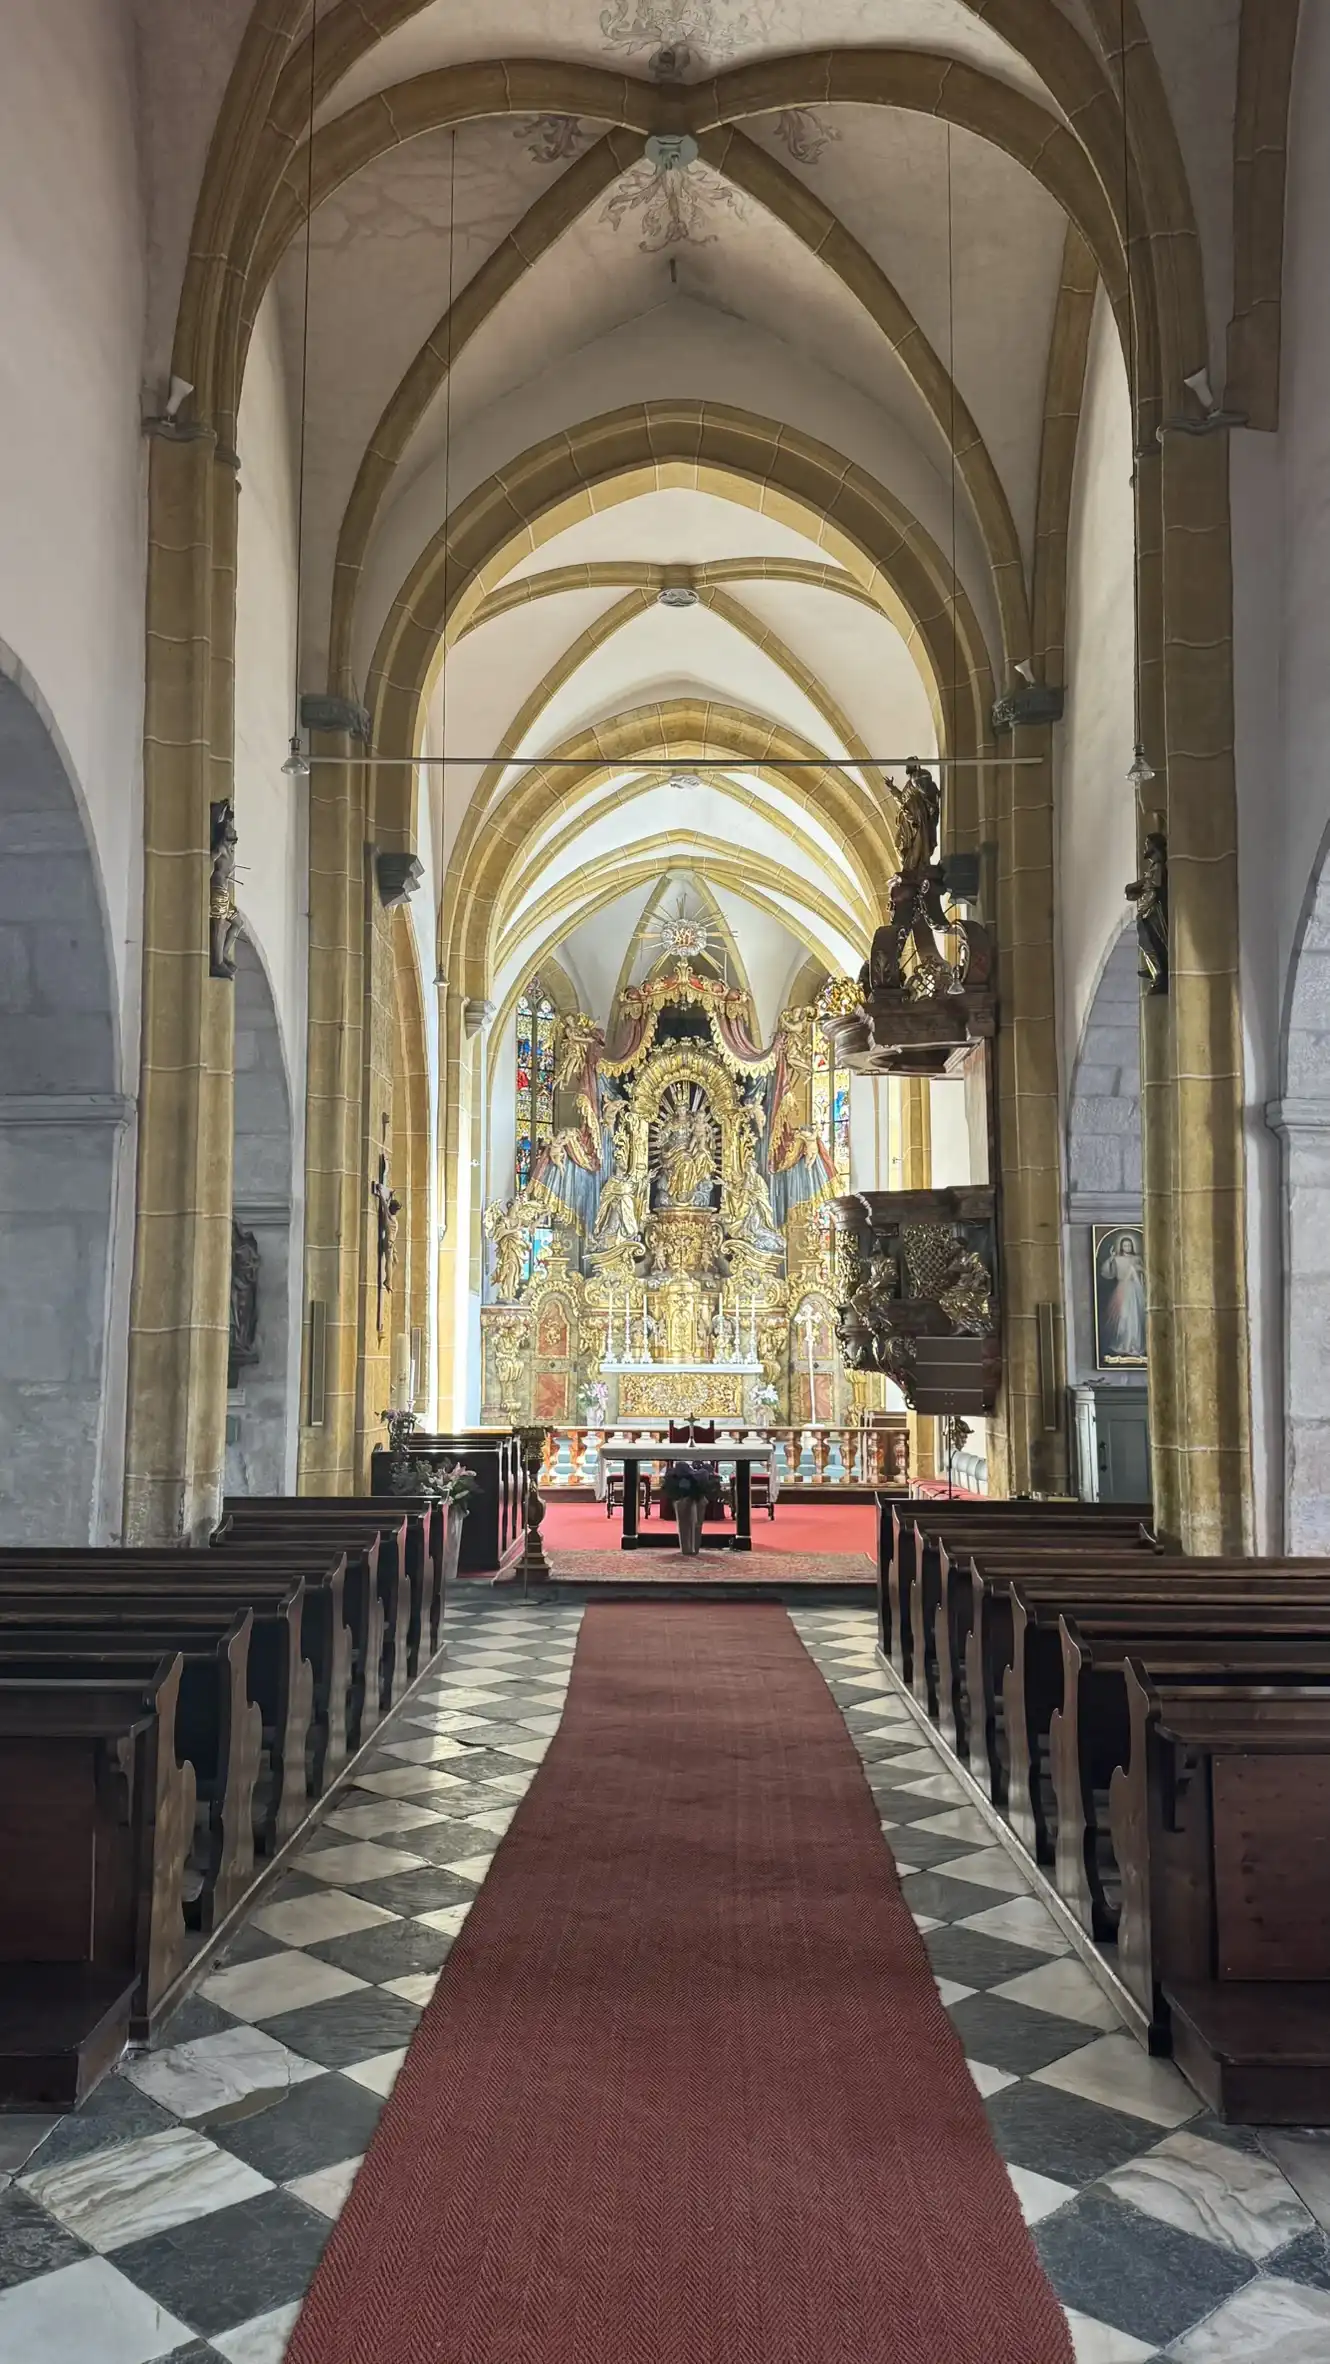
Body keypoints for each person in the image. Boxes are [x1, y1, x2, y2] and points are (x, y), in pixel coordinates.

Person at [1100, 1232, 1147, 1360]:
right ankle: (1123, 1344)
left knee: (1135, 1318)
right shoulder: (1116, 1259)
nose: (1127, 1248)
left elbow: (1145, 1273)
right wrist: (1111, 1259)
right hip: (1122, 1289)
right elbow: (1107, 1273)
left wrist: (1138, 1270)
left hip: (1135, 1290)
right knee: (1123, 1318)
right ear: (1121, 1247)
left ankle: (1135, 1345)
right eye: (1125, 1246)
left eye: (1129, 1245)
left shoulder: (1136, 1258)